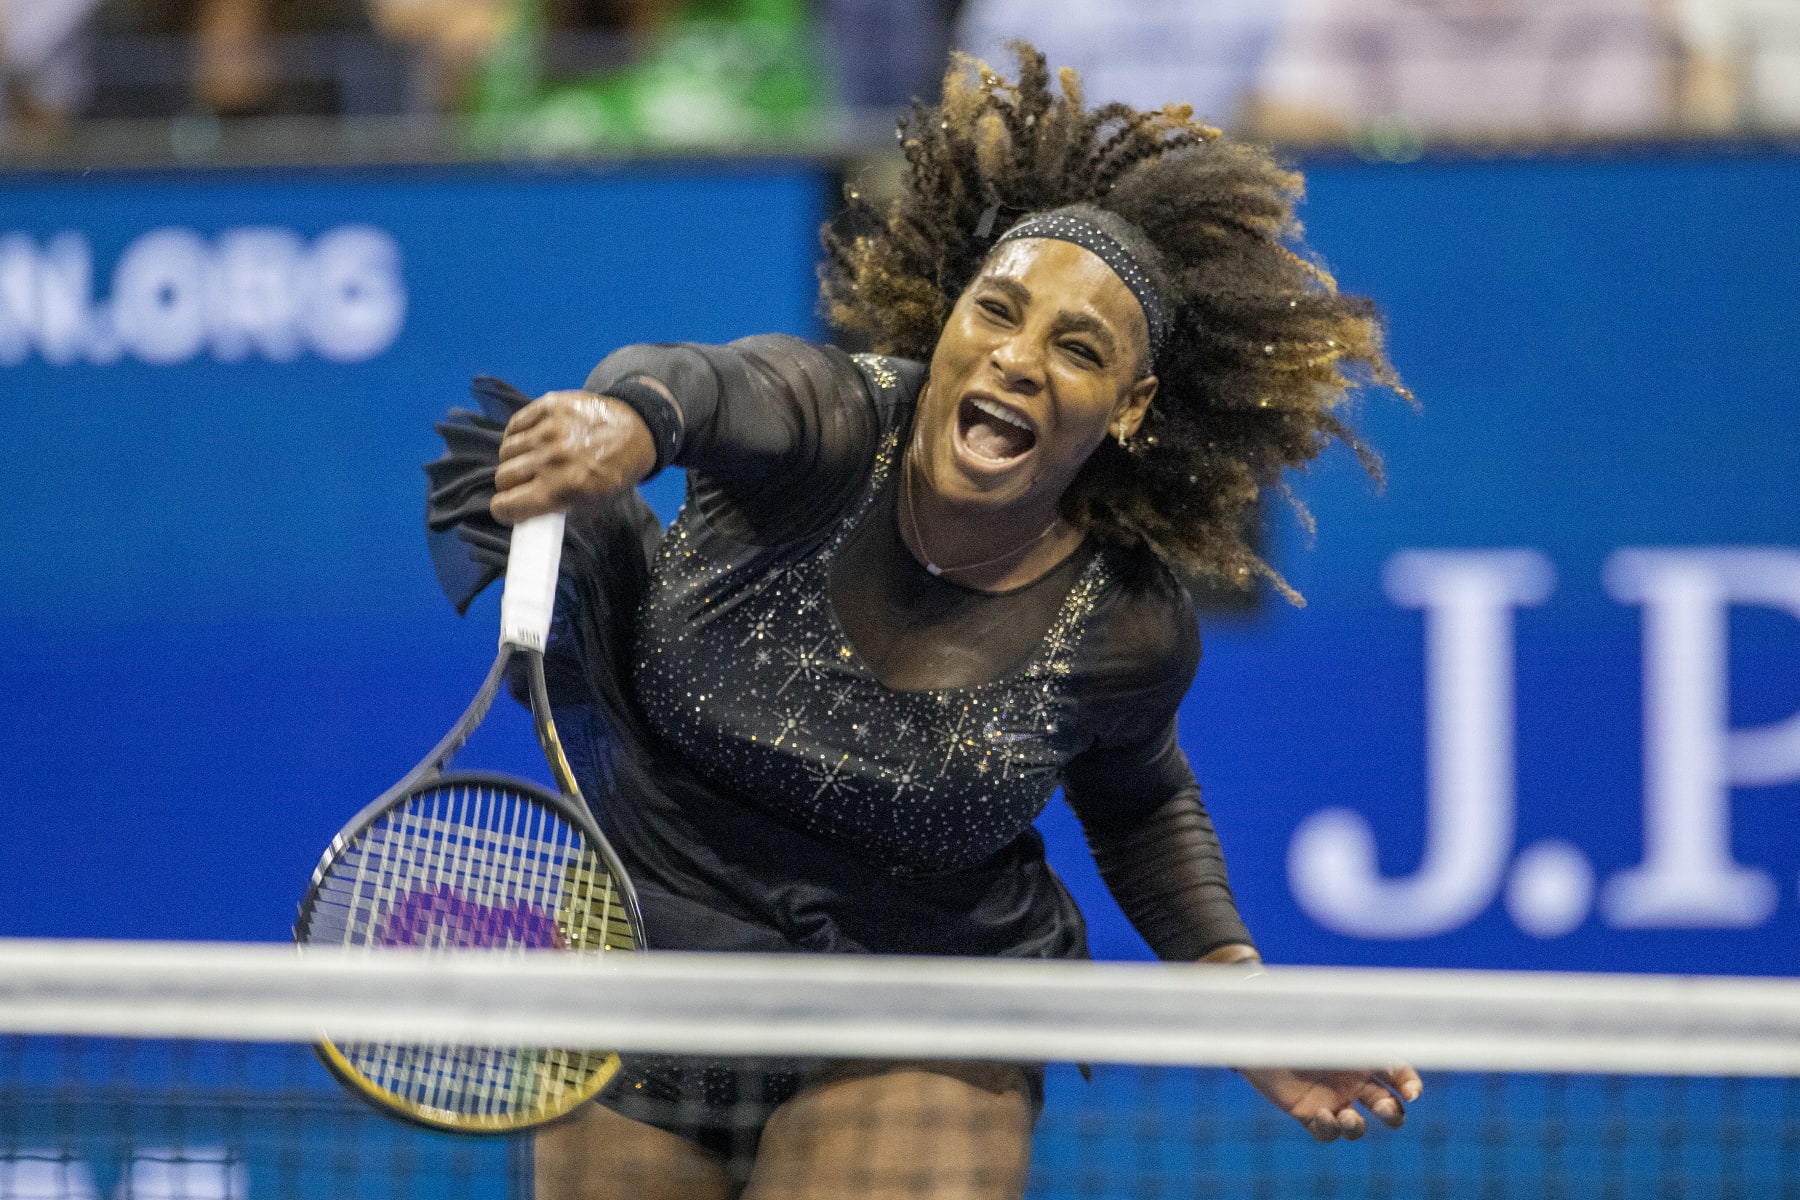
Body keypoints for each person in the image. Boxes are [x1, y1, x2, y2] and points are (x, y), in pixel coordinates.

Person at [426, 45, 1421, 1200]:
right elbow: (699, 384)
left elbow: (1139, 799)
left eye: (1078, 348)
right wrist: (626, 422)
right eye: (996, 310)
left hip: (916, 994)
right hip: (657, 945)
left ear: (1131, 405)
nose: (1018, 357)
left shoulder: (1124, 622)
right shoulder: (829, 423)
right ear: (949, 320)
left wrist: (1238, 997)